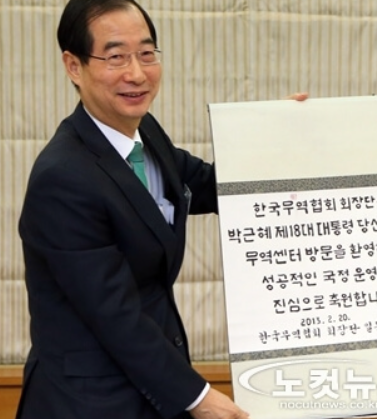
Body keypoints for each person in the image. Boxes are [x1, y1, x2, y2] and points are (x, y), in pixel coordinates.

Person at [15, 1, 306, 418]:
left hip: (148, 389)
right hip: (88, 403)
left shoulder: (145, 133)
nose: (137, 73)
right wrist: (197, 397)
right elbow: (113, 314)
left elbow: (208, 185)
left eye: (146, 53)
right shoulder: (62, 178)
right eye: (116, 57)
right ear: (74, 66)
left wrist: (278, 136)